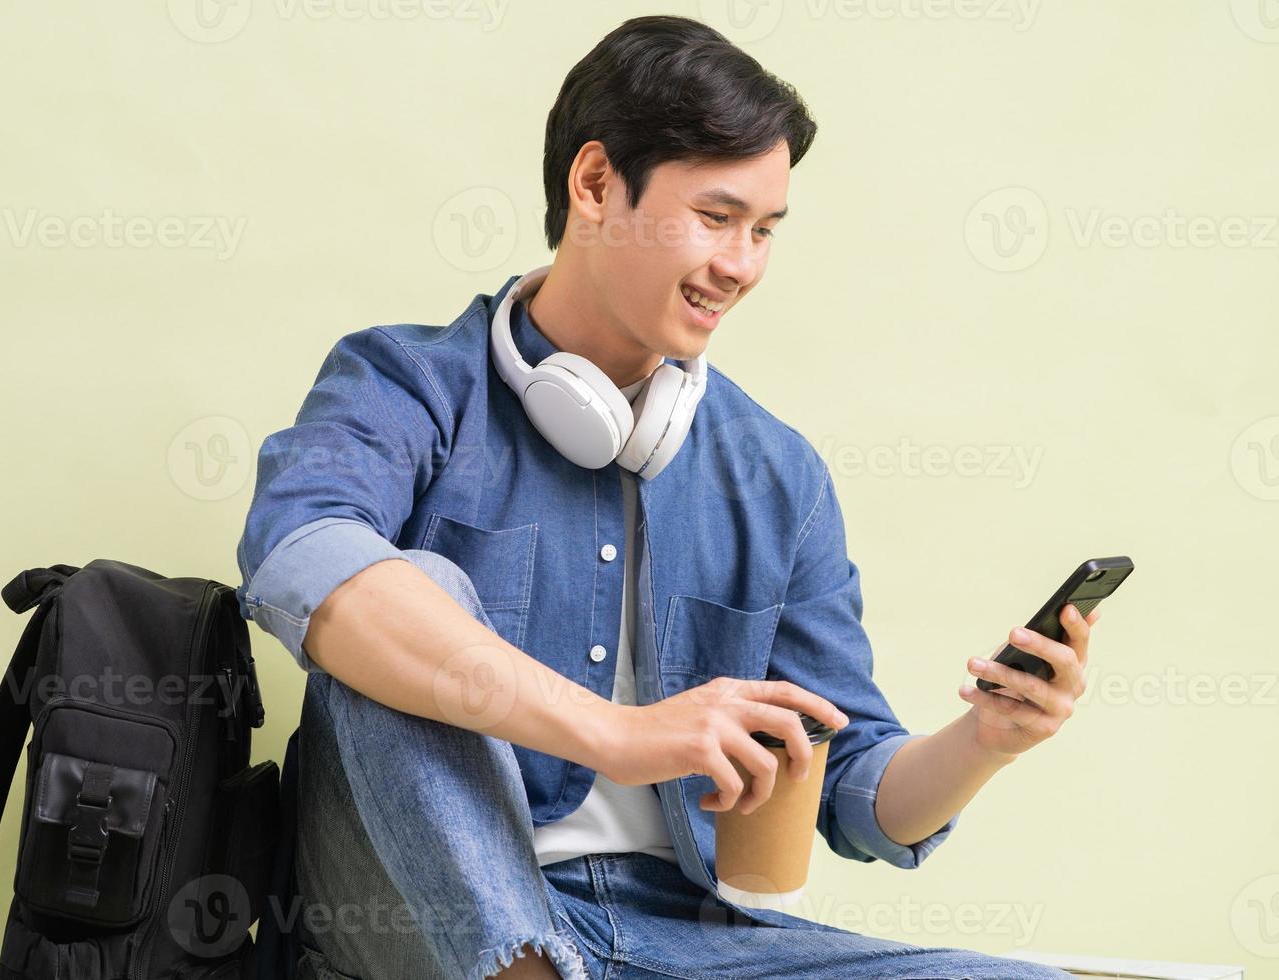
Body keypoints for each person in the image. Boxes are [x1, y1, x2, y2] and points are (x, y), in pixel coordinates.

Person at [236, 15, 1098, 979]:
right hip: (406, 909)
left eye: (765, 231)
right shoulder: (402, 381)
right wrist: (620, 733)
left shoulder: (776, 471)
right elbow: (304, 558)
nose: (742, 264)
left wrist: (989, 738)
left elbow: (857, 792)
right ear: (597, 185)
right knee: (399, 590)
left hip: (680, 931)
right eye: (717, 217)